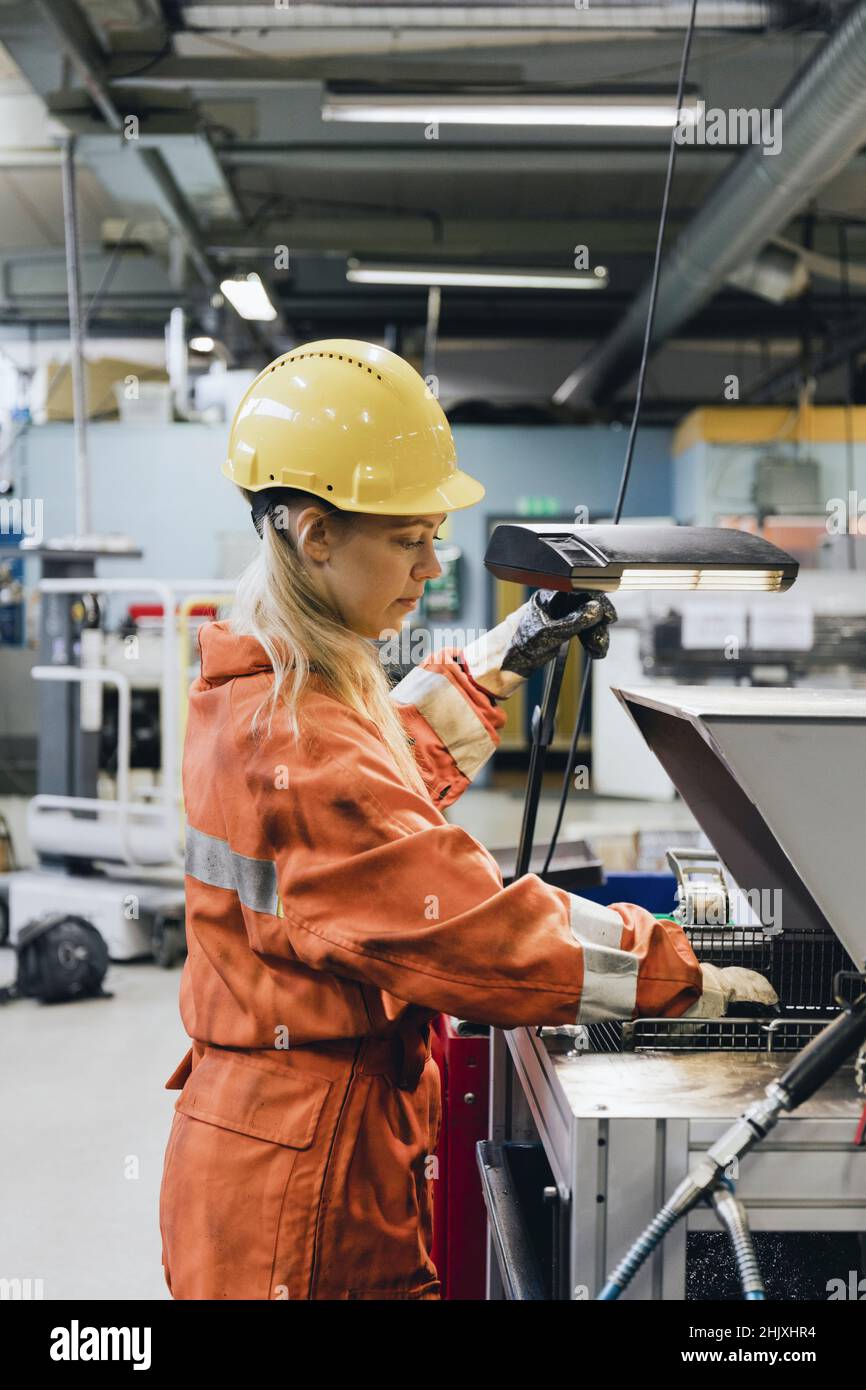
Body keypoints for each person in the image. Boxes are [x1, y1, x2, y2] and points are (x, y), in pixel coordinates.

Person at [158, 338, 776, 1301]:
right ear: (315, 533)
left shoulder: (273, 686)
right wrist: (674, 971)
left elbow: (380, 775)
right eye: (409, 540)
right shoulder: (297, 735)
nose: (430, 563)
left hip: (279, 1134)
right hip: (300, 1182)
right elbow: (472, 924)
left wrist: (507, 653)